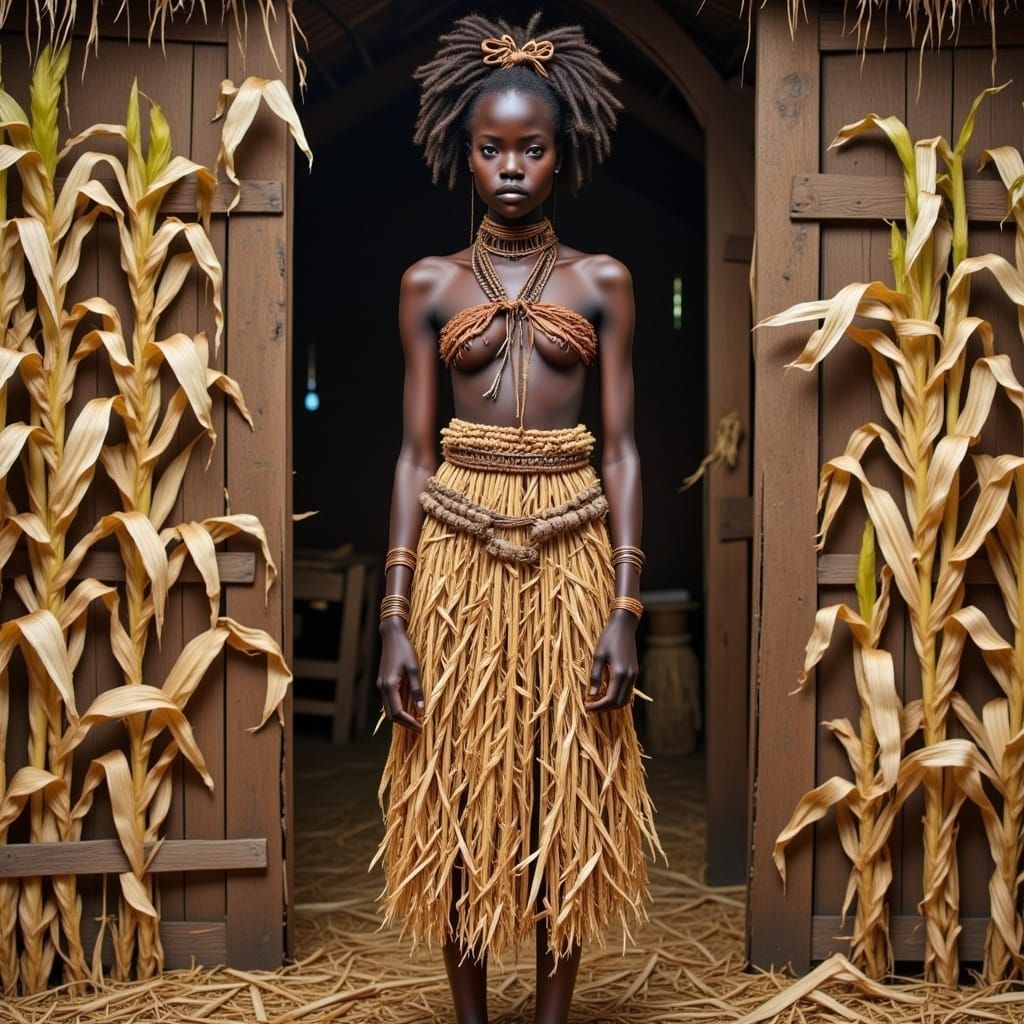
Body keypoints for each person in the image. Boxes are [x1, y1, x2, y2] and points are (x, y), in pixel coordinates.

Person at [370, 13, 665, 1024]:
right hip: (455, 554)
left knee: (564, 790)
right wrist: (394, 616)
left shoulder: (601, 283)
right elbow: (413, 455)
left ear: (561, 154)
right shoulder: (428, 285)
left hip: (572, 553)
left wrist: (626, 605)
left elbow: (623, 449)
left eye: (529, 149)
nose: (509, 168)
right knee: (456, 793)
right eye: (491, 149)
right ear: (463, 151)